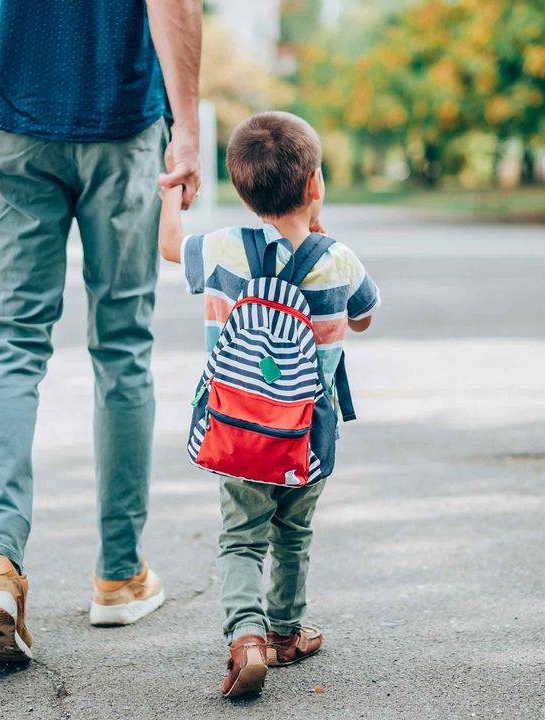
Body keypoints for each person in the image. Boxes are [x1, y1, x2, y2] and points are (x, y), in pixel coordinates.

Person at [0, 0, 202, 664]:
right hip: (119, 119)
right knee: (122, 345)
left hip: (11, 105)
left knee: (13, 339)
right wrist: (187, 125)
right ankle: (120, 576)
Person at [157, 111, 380, 697]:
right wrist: (319, 231)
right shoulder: (340, 260)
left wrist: (174, 191)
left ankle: (246, 639)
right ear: (314, 185)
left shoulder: (223, 250)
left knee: (241, 537)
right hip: (306, 436)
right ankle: (285, 633)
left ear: (241, 189)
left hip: (236, 433)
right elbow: (362, 317)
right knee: (292, 534)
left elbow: (167, 246)